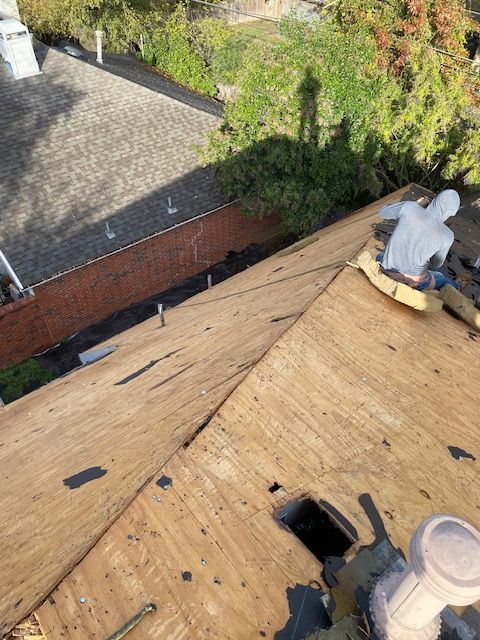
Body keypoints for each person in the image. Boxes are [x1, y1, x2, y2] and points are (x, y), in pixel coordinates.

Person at [376, 190, 461, 291]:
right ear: (450, 212)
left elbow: (383, 212)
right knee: (439, 276)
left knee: (381, 255)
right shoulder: (448, 235)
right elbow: (436, 264)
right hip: (413, 281)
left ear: (435, 200)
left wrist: (416, 205)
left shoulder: (410, 207)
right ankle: (457, 285)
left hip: (388, 269)